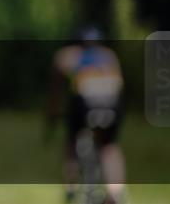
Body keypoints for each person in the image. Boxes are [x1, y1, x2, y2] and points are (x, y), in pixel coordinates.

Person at [48, 25, 126, 204]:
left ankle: (71, 188)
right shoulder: (109, 55)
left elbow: (56, 92)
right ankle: (116, 191)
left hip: (83, 104)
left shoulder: (66, 55)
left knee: (72, 142)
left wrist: (52, 115)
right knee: (109, 146)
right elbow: (120, 85)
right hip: (113, 104)